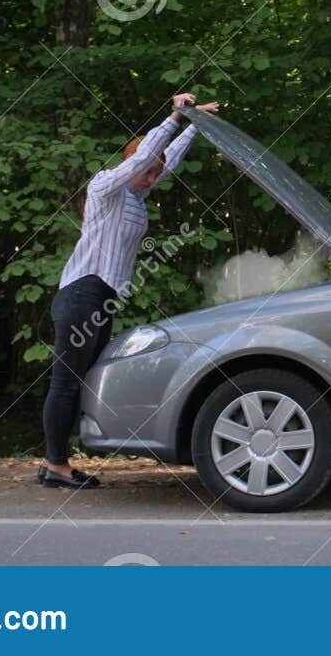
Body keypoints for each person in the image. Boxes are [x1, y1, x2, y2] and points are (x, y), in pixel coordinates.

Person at [37, 93, 219, 489]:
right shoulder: (106, 188)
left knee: (81, 379)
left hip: (100, 299)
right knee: (66, 381)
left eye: (155, 173)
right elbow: (144, 159)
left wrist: (194, 124)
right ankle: (55, 465)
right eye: (146, 171)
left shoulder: (136, 195)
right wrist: (172, 115)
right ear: (128, 165)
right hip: (82, 294)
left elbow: (162, 162)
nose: (153, 178)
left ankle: (57, 460)